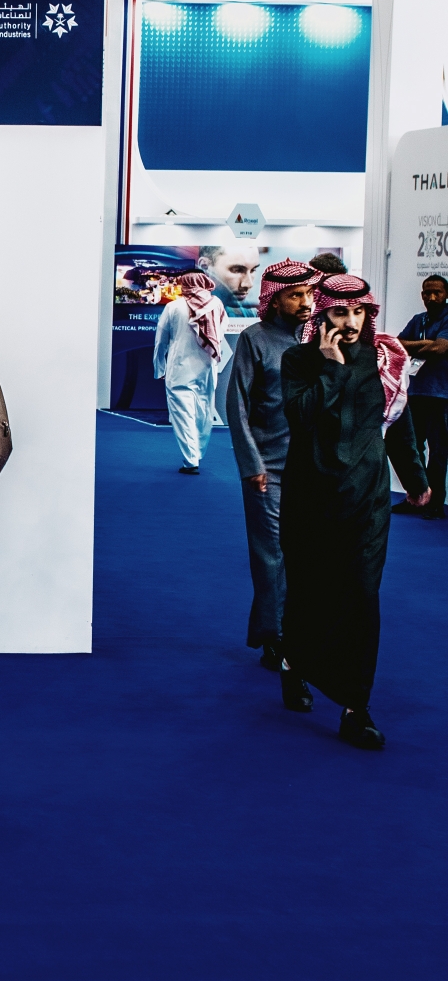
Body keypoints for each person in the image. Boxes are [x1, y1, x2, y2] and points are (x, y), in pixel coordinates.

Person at [278, 274, 430, 749]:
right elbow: (300, 416)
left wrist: (417, 480)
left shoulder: (383, 358)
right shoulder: (299, 360)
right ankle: (293, 664)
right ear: (322, 313)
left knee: (362, 597)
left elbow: (397, 423)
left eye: (358, 312)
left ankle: (355, 707)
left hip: (366, 499)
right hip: (311, 498)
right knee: (310, 591)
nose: (350, 322)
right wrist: (332, 368)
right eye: (340, 312)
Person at [226, 260, 320, 675]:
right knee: (272, 556)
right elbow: (237, 405)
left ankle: (276, 629)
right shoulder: (255, 339)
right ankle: (277, 639)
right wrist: (251, 463)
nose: (305, 302)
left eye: (309, 294)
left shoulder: (318, 340)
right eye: (295, 295)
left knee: (303, 555)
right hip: (268, 469)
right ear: (275, 300)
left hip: (313, 469)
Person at [153, 271, 231, 474]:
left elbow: (161, 340)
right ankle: (198, 452)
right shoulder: (216, 304)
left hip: (179, 369)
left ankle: (191, 459)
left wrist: (159, 368)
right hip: (207, 367)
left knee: (183, 414)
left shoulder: (173, 307)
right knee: (204, 412)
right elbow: (220, 332)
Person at [398, 272, 448, 518]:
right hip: (416, 392)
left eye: (437, 292)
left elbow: (440, 348)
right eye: (427, 292)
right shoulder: (419, 320)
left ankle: (435, 502)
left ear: (446, 294)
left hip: (441, 395)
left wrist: (418, 346)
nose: (432, 297)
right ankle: (416, 497)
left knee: (438, 452)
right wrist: (425, 345)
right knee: (413, 448)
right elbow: (396, 344)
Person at [198, 240, 259, 319]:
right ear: (205, 267)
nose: (249, 284)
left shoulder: (250, 315)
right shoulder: (186, 315)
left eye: (253, 270)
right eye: (237, 270)